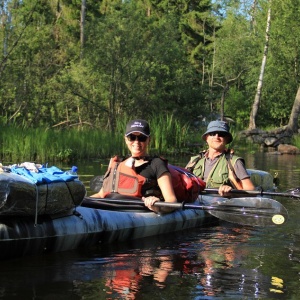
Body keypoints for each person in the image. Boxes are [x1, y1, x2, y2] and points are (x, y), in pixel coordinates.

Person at [91, 119, 177, 213]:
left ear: (149, 140)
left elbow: (171, 201)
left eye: (142, 138)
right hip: (109, 208)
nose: (136, 142)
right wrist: (80, 202)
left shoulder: (156, 164)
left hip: (137, 212)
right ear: (126, 139)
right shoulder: (118, 163)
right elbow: (101, 194)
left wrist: (157, 206)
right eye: (132, 137)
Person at [186, 120, 255, 196]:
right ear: (206, 138)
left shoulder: (234, 161)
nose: (216, 137)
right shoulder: (194, 161)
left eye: (221, 134)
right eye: (212, 134)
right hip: (195, 203)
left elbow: (251, 190)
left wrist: (231, 192)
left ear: (227, 139)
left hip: (222, 204)